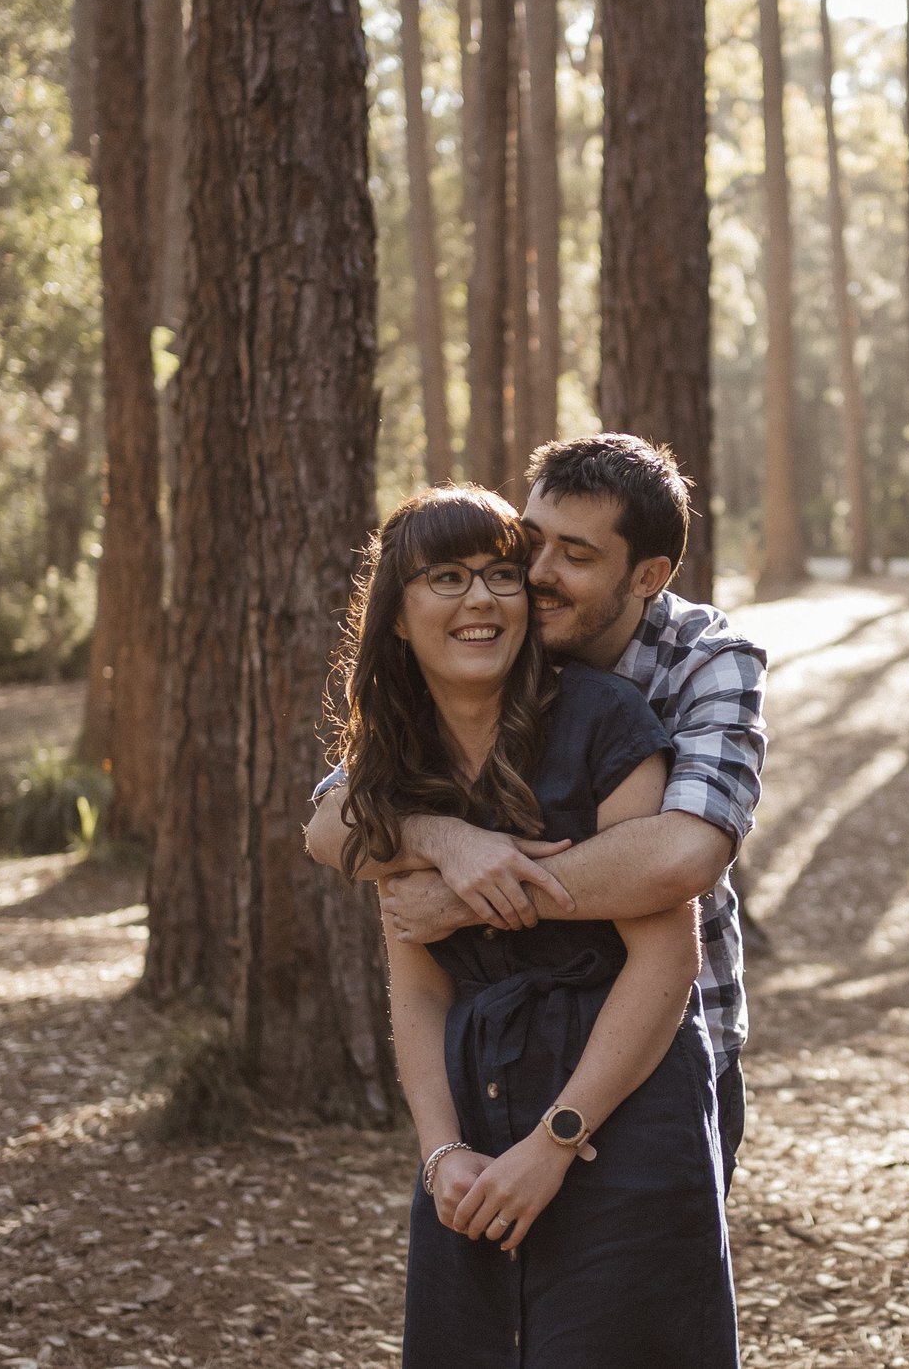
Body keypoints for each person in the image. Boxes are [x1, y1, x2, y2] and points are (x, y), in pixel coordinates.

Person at [329, 485, 737, 1367]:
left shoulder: (608, 718)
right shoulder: (398, 762)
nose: (482, 597)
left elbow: (667, 951)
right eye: (446, 577)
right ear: (396, 616)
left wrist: (557, 1140)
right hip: (475, 1100)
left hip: (621, 1096)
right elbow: (419, 980)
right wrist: (441, 1152)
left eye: (499, 575)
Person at [306, 433, 769, 1181]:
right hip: (502, 1056)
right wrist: (446, 838)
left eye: (576, 556)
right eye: (534, 541)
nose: (538, 574)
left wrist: (471, 898)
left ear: (648, 574)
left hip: (669, 1048)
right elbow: (332, 821)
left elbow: (681, 857)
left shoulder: (706, 659)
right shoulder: (504, 634)